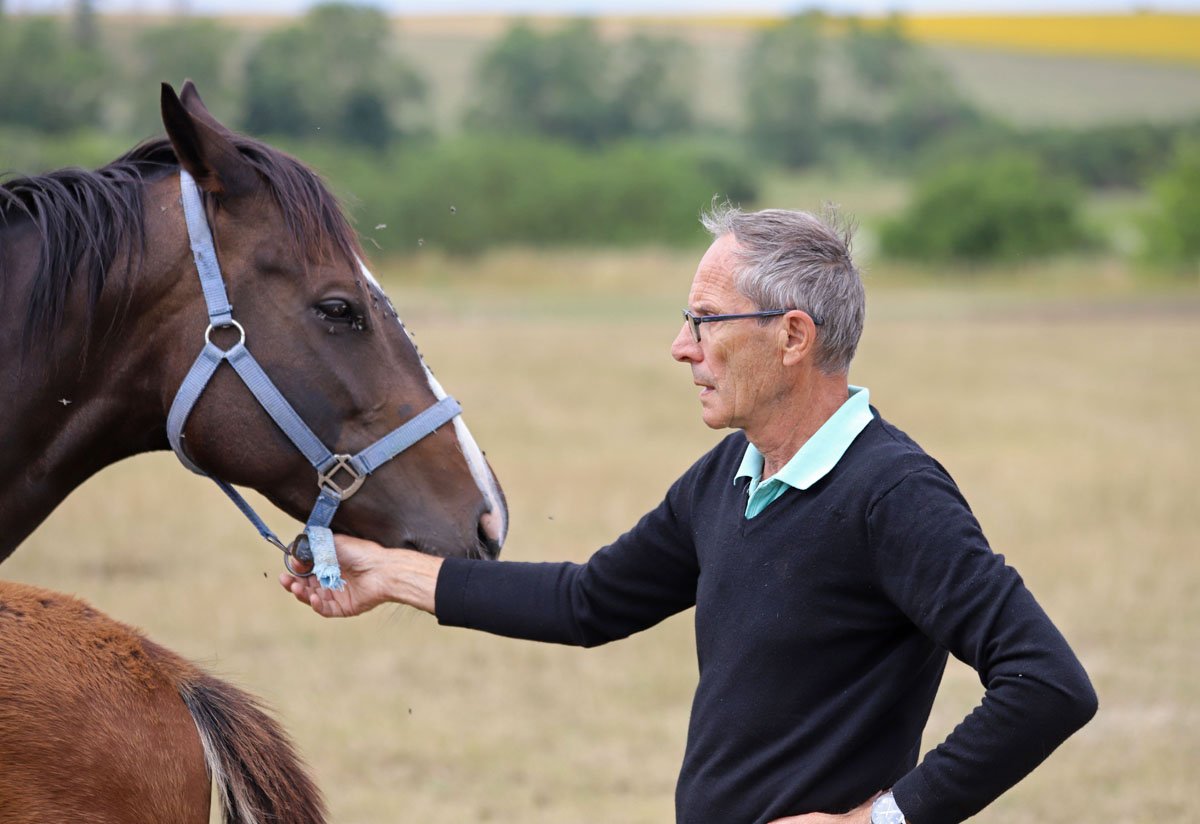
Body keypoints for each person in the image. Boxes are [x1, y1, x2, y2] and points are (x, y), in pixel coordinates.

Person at [281, 205, 1097, 824]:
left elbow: (1048, 683)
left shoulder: (894, 494)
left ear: (792, 337)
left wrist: (882, 821)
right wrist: (388, 572)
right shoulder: (729, 476)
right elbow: (588, 602)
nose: (681, 346)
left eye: (705, 321)